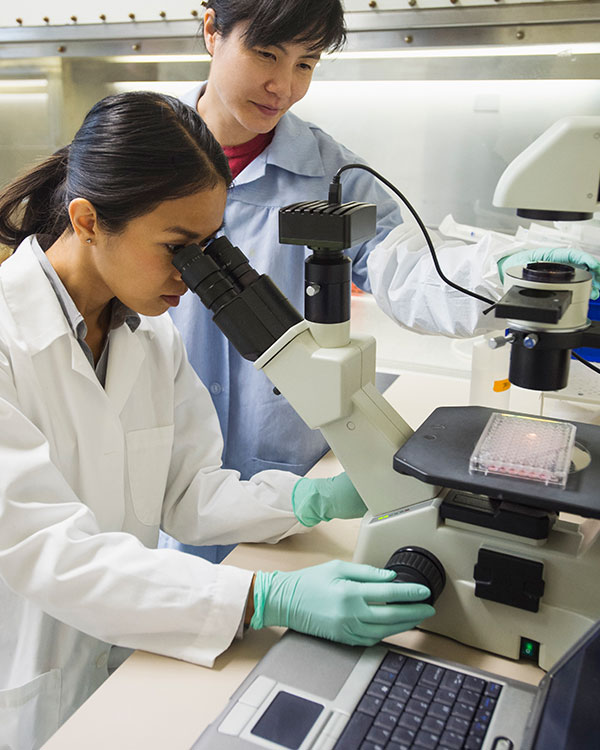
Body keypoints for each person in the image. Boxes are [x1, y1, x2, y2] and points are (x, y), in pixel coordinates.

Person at [0, 91, 436, 749]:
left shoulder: (148, 335)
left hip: (124, 666)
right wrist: (262, 598)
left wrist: (312, 499)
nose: (195, 274)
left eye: (208, 246)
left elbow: (187, 493)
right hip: (26, 686)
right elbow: (49, 553)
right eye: (178, 246)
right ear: (88, 220)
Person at [164, 0, 600, 560]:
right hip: (155, 464)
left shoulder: (330, 172)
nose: (283, 86)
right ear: (211, 31)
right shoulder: (136, 152)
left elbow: (410, 266)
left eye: (306, 64)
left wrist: (501, 271)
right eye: (266, 54)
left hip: (289, 480)